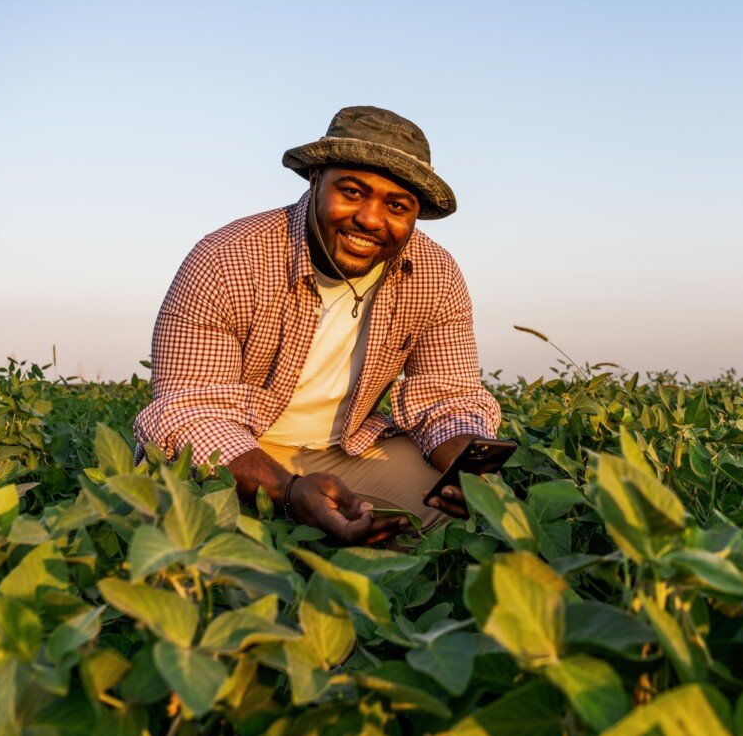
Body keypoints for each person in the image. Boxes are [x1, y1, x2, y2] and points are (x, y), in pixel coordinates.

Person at [133, 106, 501, 545]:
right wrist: (287, 491)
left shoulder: (434, 273)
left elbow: (448, 394)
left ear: (414, 216)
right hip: (244, 444)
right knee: (210, 537)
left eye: (397, 206)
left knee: (463, 512)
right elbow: (190, 412)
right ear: (316, 180)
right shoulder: (228, 258)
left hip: (347, 448)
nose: (369, 218)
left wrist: (465, 462)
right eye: (351, 191)